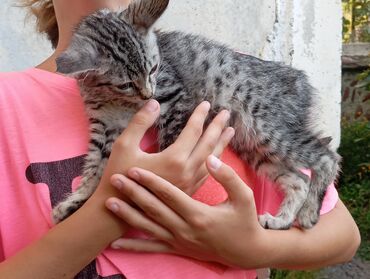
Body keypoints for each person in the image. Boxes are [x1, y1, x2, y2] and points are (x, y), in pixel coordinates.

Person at [0, 0, 360, 278]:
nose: (146, 92)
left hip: (245, 97)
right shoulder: (10, 105)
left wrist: (254, 247)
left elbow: (343, 238)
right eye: (130, 85)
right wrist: (111, 207)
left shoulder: (227, 67)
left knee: (272, 149)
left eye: (152, 73)